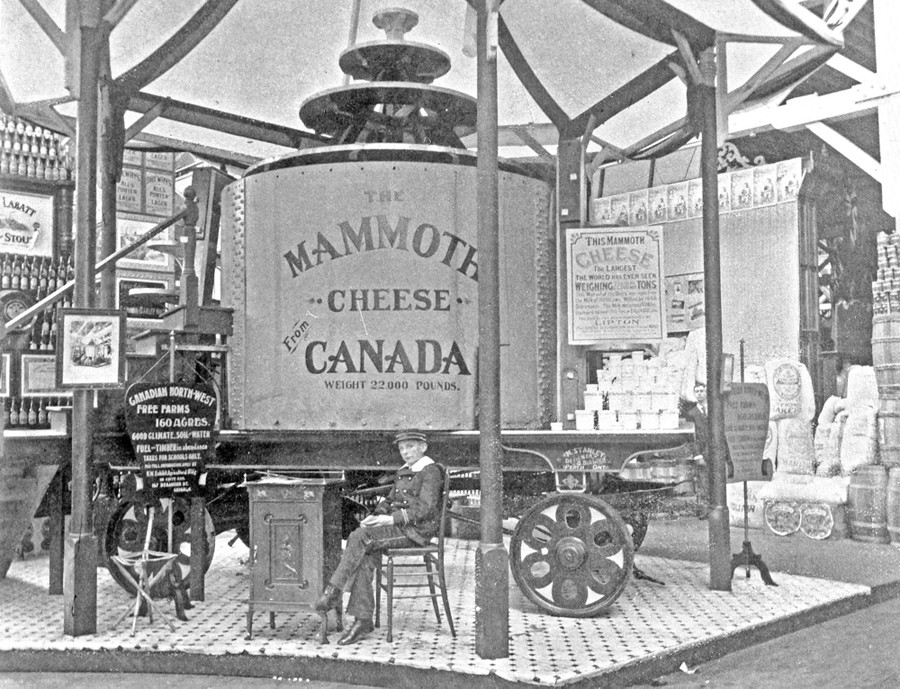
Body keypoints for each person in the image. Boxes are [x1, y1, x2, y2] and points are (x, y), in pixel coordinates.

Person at [315, 430, 444, 645]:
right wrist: (375, 516)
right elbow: (389, 500)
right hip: (401, 528)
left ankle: (333, 591)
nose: (406, 452)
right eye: (402, 448)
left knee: (360, 537)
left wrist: (389, 520)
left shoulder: (430, 471)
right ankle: (362, 619)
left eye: (410, 447)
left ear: (423, 447)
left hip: (415, 532)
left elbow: (426, 509)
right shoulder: (404, 471)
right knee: (364, 552)